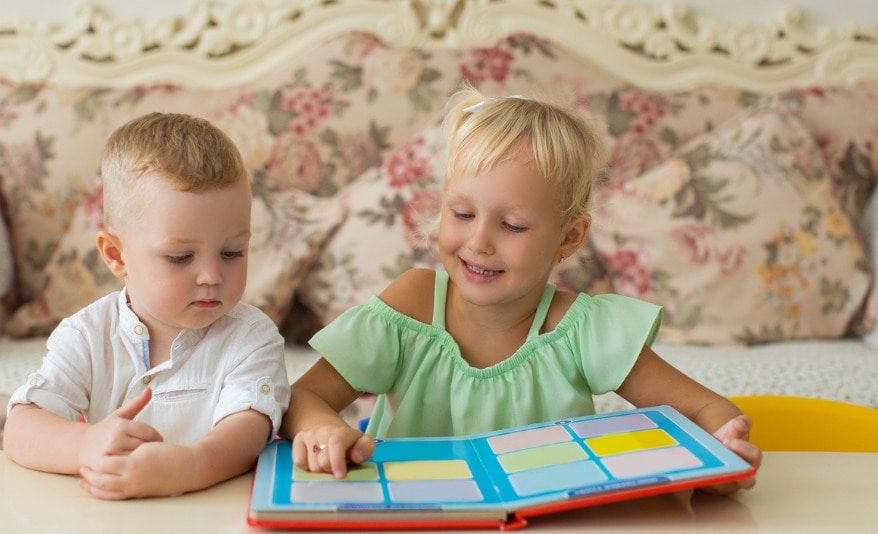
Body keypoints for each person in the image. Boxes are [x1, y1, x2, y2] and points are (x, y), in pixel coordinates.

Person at [279, 87, 761, 494]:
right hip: (418, 513)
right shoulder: (413, 305)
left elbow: (706, 408)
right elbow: (300, 398)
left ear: (569, 237)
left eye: (512, 224)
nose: (478, 242)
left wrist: (722, 450)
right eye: (462, 214)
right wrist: (322, 429)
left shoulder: (581, 329)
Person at [3, 112, 290, 500]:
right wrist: (84, 445)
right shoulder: (86, 335)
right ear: (117, 255)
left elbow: (246, 434)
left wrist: (187, 467)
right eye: (180, 257)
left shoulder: (251, 337)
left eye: (231, 251)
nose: (211, 275)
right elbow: (20, 429)